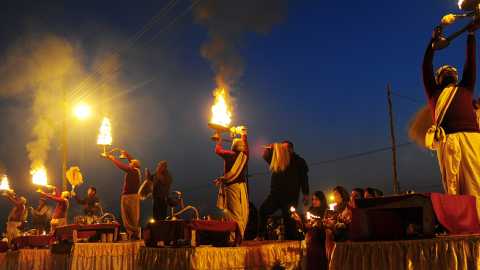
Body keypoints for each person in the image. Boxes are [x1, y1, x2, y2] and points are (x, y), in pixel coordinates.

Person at [423, 21, 480, 219]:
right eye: (444, 71)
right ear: (437, 79)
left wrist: (471, 35)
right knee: (453, 187)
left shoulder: (466, 88)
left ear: (457, 77)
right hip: (448, 142)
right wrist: (433, 41)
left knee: (476, 184)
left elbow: (470, 63)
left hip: (473, 140)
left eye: (452, 70)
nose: (449, 70)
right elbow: (426, 66)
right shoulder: (434, 94)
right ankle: (462, 223)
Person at [256, 141, 309, 241]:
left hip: (290, 196)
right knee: (263, 209)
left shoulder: (299, 162)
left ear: (292, 149)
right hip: (276, 194)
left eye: (288, 147)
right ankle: (261, 235)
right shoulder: (278, 159)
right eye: (283, 147)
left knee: (290, 222)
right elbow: (266, 156)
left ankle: (293, 246)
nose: (286, 149)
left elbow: (304, 179)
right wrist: (270, 148)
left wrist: (306, 193)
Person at [214, 126, 249, 241]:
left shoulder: (229, 155)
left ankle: (237, 238)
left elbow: (217, 151)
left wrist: (219, 142)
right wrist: (243, 134)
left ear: (233, 146)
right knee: (239, 212)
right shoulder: (245, 154)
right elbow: (245, 144)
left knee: (234, 213)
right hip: (242, 187)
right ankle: (236, 236)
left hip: (233, 187)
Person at [108, 150, 141, 240]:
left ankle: (134, 233)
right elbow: (131, 162)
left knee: (131, 215)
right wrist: (126, 154)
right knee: (129, 214)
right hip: (129, 195)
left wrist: (114, 160)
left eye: (131, 163)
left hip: (130, 196)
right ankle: (132, 233)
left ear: (134, 165)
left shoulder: (134, 171)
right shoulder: (135, 170)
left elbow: (123, 167)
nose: (129, 163)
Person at [293, 191, 328, 270]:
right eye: (313, 199)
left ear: (322, 201)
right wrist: (299, 220)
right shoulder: (310, 211)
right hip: (309, 242)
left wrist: (314, 225)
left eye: (316, 199)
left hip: (320, 243)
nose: (313, 201)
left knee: (320, 264)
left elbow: (324, 226)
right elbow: (303, 228)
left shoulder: (325, 211)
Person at [323, 186, 350, 261]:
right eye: (333, 194)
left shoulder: (347, 208)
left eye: (336, 194)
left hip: (342, 240)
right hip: (329, 240)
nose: (334, 197)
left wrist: (334, 225)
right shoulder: (329, 209)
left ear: (343, 196)